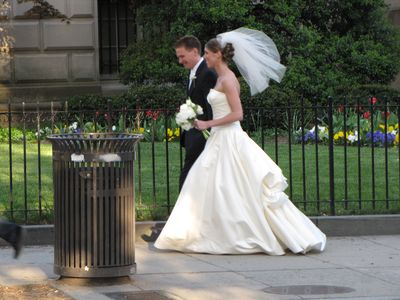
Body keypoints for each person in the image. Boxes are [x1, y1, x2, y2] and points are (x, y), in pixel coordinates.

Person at [155, 28, 326, 255]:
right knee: (213, 185)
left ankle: (241, 233)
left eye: (207, 53)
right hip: (219, 138)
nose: (205, 58)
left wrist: (208, 124)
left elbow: (238, 114)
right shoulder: (221, 78)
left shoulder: (227, 79)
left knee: (232, 186)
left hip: (229, 137)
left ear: (218, 54)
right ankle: (209, 232)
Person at [175, 35, 217, 190]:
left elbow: (211, 106)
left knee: (189, 173)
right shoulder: (193, 72)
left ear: (194, 52)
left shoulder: (207, 73)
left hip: (202, 136)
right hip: (194, 134)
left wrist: (209, 131)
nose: (180, 61)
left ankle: (183, 210)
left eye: (182, 56)